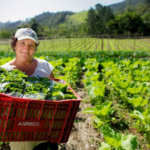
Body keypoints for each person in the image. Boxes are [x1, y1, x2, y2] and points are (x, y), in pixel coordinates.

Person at [1, 28, 58, 150]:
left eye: (31, 44)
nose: (26, 48)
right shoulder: (4, 70)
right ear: (14, 44)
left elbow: (55, 91)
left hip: (45, 127)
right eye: (22, 43)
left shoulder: (45, 66)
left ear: (35, 48)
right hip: (18, 132)